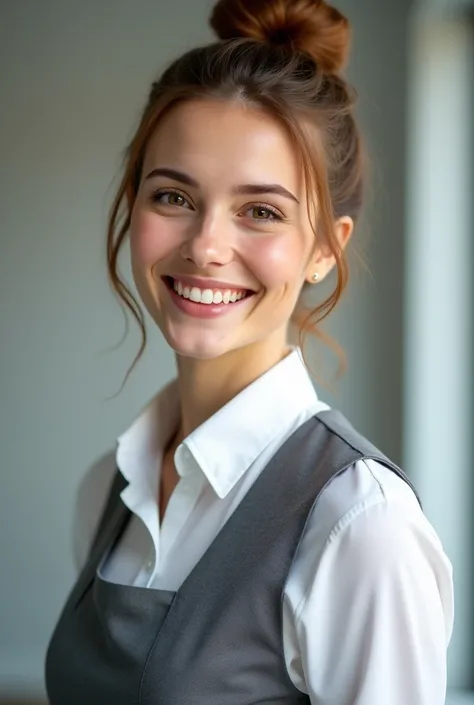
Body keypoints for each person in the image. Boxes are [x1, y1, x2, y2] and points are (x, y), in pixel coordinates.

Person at [45, 0, 454, 703]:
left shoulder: (360, 525)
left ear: (327, 247)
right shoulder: (106, 489)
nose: (205, 245)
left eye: (260, 211)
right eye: (173, 195)